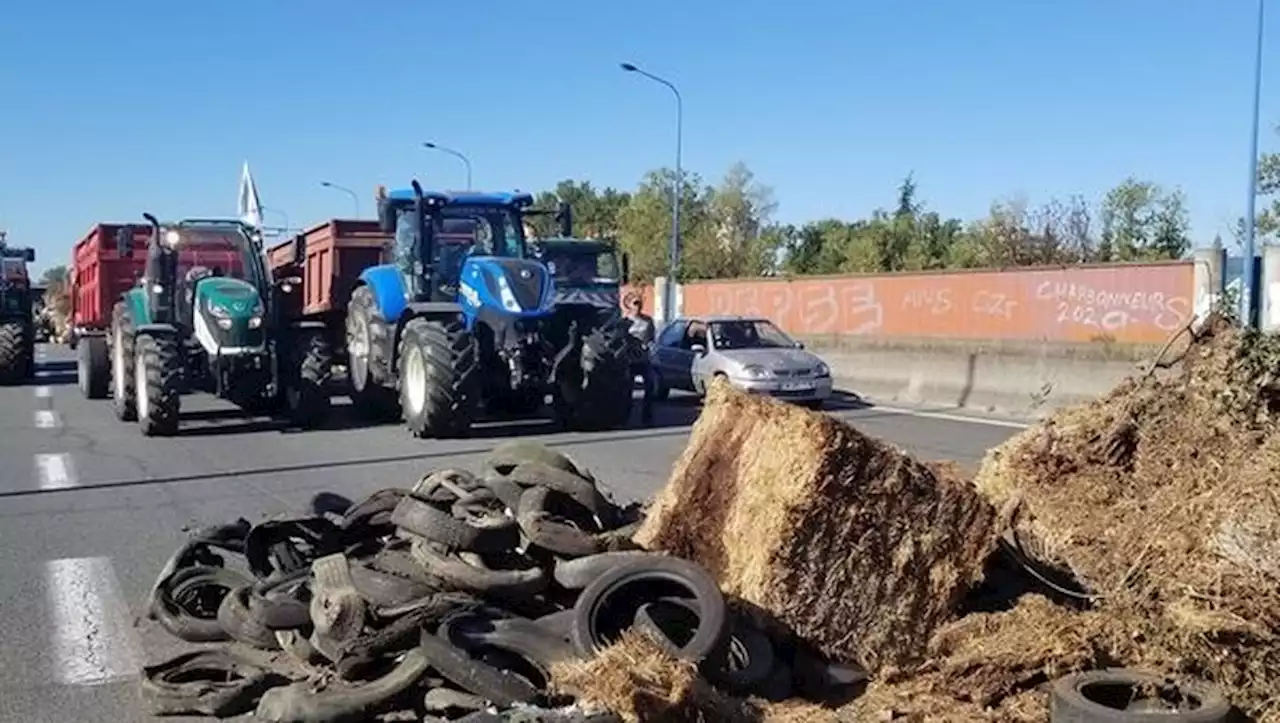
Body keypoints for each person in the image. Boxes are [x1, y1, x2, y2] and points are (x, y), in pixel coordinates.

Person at [622, 291, 656, 425]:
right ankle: (626, 416)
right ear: (629, 305)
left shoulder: (648, 321)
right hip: (629, 359)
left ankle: (647, 418)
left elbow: (652, 338)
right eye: (635, 303)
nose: (638, 306)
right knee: (628, 389)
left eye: (640, 303)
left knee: (650, 386)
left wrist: (649, 346)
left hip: (644, 358)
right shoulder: (625, 321)